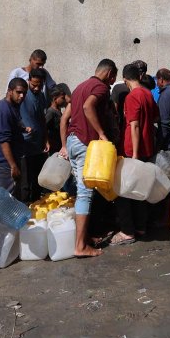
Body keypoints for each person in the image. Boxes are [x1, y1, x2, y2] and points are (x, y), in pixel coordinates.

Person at [62, 59, 117, 258]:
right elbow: (88, 107)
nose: (113, 82)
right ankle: (80, 247)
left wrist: (63, 144)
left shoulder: (79, 87)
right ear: (110, 73)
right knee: (85, 194)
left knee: (82, 192)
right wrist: (101, 133)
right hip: (86, 144)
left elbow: (65, 118)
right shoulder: (100, 87)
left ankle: (84, 238)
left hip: (73, 141)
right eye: (114, 77)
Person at [111, 61, 159, 246]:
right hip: (147, 149)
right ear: (139, 77)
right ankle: (140, 227)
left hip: (133, 151)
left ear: (125, 80)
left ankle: (127, 231)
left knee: (122, 192)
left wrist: (135, 155)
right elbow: (156, 116)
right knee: (140, 191)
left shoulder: (132, 97)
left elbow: (135, 126)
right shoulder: (148, 94)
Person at [0, 78, 29, 195]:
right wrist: (13, 166)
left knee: (14, 196)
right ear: (10, 91)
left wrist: (23, 129)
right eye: (19, 92)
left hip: (13, 159)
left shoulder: (13, 105)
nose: (22, 96)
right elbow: (3, 140)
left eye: (24, 93)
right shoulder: (3, 109)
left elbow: (11, 127)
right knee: (6, 198)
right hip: (5, 163)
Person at [18, 68, 50, 201]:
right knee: (25, 183)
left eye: (39, 85)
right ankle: (24, 210)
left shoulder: (41, 96)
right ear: (29, 80)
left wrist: (46, 139)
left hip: (38, 145)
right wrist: (22, 127)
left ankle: (36, 206)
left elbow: (42, 118)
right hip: (24, 146)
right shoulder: (21, 95)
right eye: (34, 85)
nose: (36, 88)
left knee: (37, 180)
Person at [44, 84, 71, 155]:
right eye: (62, 98)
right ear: (55, 99)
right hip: (53, 145)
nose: (64, 100)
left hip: (58, 143)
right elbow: (44, 127)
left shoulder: (58, 110)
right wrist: (47, 142)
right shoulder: (51, 112)